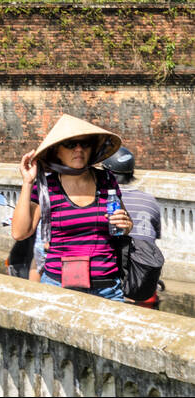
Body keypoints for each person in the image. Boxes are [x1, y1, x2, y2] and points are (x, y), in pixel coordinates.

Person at [10, 114, 132, 301]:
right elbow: (20, 233)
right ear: (57, 151)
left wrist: (126, 224)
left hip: (107, 287)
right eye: (70, 144)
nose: (78, 149)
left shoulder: (106, 180)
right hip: (60, 287)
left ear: (92, 148)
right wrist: (27, 182)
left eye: (85, 144)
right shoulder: (45, 187)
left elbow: (124, 225)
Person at [100, 145, 164, 307]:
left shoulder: (103, 200)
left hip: (115, 281)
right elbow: (153, 236)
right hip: (144, 282)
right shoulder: (150, 200)